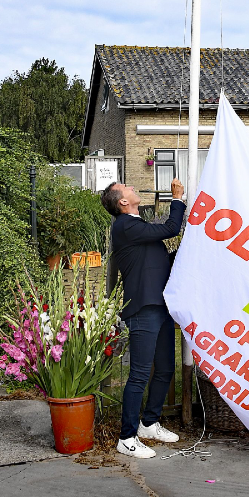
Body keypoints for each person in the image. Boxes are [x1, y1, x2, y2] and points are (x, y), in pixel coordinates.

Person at [101, 178, 186, 459]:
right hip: (142, 309)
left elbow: (160, 260)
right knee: (138, 375)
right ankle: (127, 438)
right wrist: (177, 199)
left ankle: (149, 423)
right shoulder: (126, 226)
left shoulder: (139, 229)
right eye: (125, 187)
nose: (131, 187)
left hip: (160, 306)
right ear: (122, 202)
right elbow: (171, 228)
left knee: (164, 369)